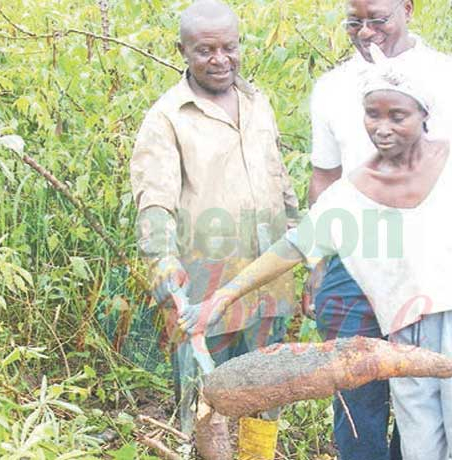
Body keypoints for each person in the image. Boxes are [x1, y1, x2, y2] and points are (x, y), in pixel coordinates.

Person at [180, 67, 452, 460]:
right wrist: (221, 298)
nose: (382, 127)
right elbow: (292, 247)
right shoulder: (350, 194)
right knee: (421, 447)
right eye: (372, 114)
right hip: (405, 333)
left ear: (425, 115)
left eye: (398, 115)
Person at [306, 0, 452, 457]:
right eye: (354, 22)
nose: (367, 33)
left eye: (379, 20)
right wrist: (318, 262)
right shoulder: (331, 88)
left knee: (424, 392)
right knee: (356, 392)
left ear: (408, 9)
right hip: (354, 262)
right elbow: (324, 178)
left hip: (436, 267)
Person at [129, 1, 299, 458]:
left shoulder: (257, 102)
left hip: (269, 278)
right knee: (207, 398)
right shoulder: (168, 117)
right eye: (205, 50)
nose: (220, 59)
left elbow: (280, 182)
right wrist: (162, 257)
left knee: (269, 392)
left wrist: (304, 245)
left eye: (229, 47)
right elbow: (154, 201)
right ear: (182, 50)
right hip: (206, 291)